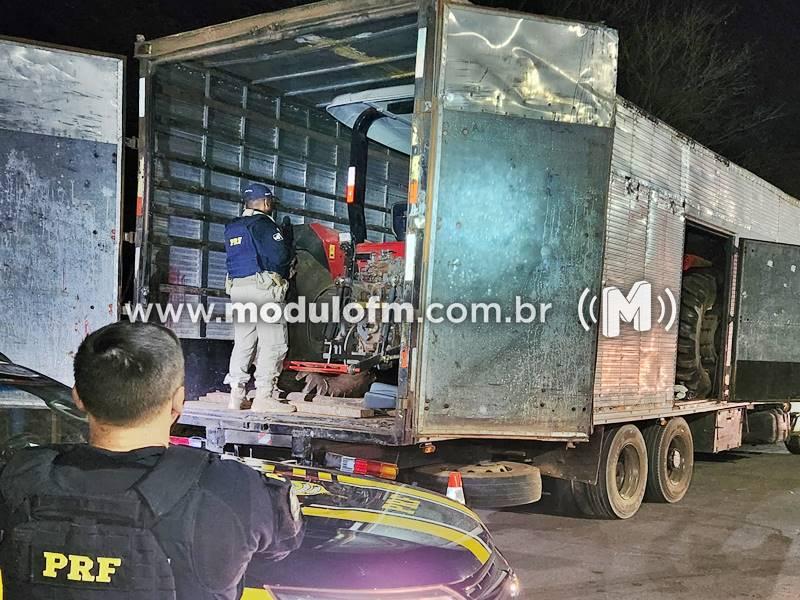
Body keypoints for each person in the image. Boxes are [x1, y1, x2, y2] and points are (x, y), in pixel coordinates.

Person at [0, 321, 304, 600]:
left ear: (78, 397)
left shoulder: (18, 478)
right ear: (177, 401)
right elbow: (281, 550)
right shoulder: (232, 489)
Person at [225, 182, 294, 413]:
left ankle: (236, 395)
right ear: (265, 202)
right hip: (262, 290)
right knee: (273, 342)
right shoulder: (264, 224)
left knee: (244, 342)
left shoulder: (233, 227)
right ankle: (264, 395)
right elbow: (280, 255)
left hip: (238, 290)